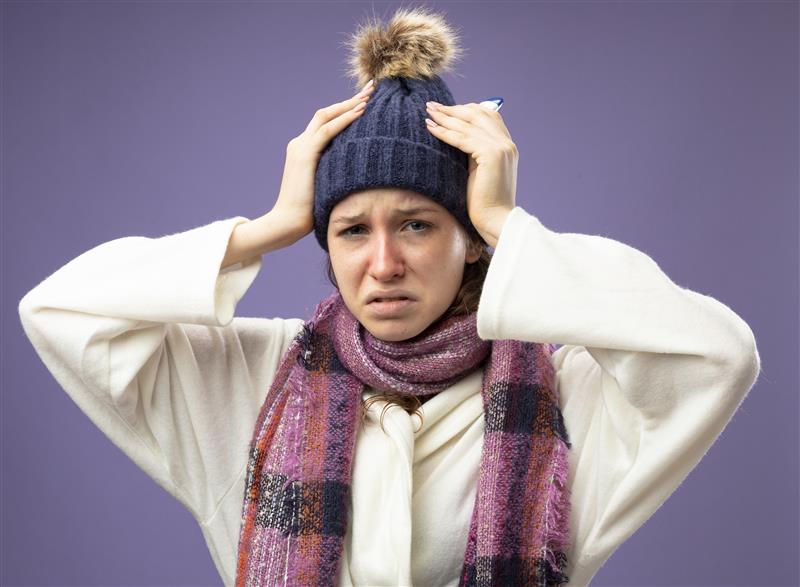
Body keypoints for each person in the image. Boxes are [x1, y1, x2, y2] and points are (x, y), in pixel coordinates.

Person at [18, 6, 761, 587]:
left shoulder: (566, 396)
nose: (382, 264)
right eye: (350, 230)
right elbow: (58, 312)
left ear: (468, 239)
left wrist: (506, 223)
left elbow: (718, 357)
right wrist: (271, 226)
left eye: (416, 224)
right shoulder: (253, 379)